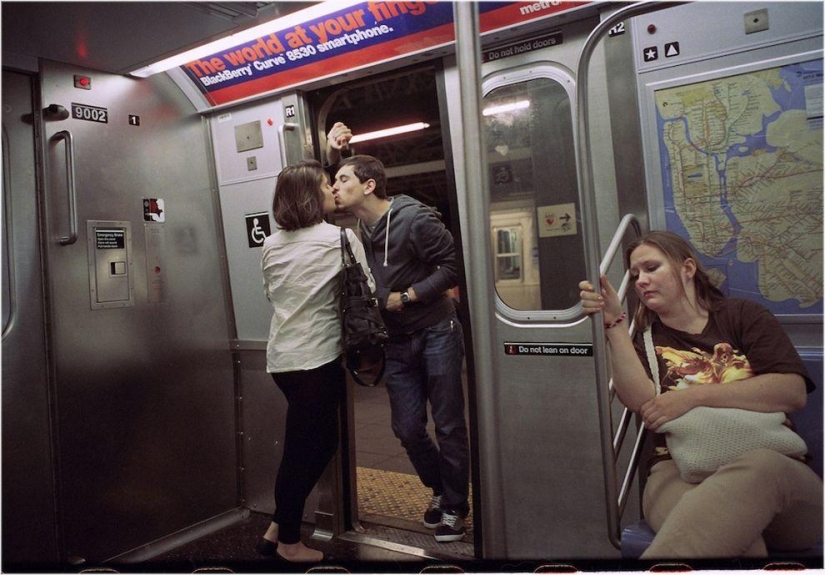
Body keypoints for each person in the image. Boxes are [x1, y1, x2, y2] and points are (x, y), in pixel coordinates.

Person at [579, 230, 823, 559]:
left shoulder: (743, 317)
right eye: (635, 275)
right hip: (676, 471)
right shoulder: (647, 342)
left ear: (688, 268)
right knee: (738, 542)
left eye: (652, 268)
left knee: (760, 467)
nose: (641, 281)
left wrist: (691, 397)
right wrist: (615, 327)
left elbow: (791, 391)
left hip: (776, 474)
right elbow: (641, 403)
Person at [329, 141, 470, 543]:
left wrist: (409, 296)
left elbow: (453, 266)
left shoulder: (413, 219)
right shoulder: (354, 231)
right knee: (407, 428)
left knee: (448, 424)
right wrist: (332, 152)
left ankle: (456, 506)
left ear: (369, 185)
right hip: (394, 340)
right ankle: (441, 489)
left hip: (436, 330)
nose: (334, 187)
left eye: (343, 179)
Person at [256, 160, 374, 562]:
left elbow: (272, 295)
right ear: (311, 196)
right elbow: (368, 289)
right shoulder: (339, 239)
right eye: (326, 186)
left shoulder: (271, 244)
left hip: (282, 360)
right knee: (306, 450)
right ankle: (289, 542)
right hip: (318, 359)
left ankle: (277, 525)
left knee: (313, 443)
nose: (332, 191)